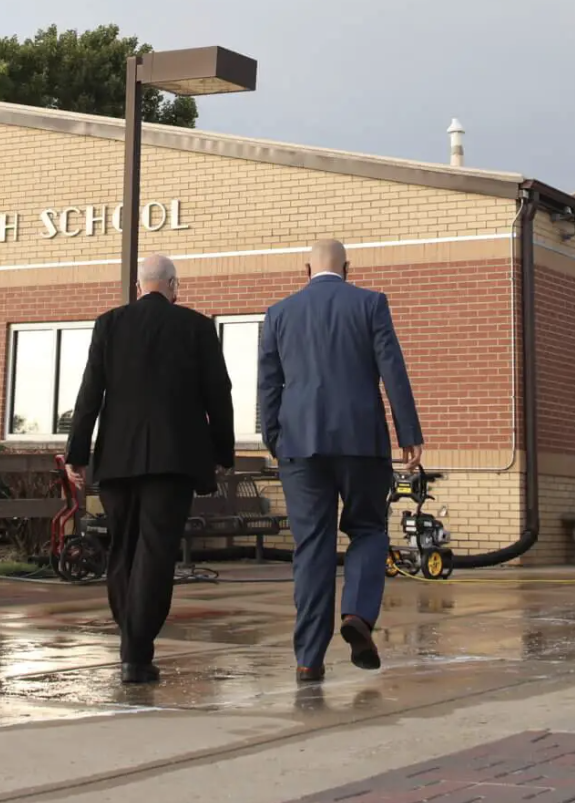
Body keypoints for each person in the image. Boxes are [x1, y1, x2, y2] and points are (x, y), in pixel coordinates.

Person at [63, 253, 236, 685]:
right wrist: (223, 452)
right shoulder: (196, 327)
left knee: (122, 549)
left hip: (117, 461)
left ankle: (131, 641)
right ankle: (136, 653)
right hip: (174, 461)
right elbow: (220, 393)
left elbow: (89, 395)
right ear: (173, 286)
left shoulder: (110, 324)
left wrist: (76, 455)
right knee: (156, 553)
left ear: (140, 286)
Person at [259, 239, 424, 682]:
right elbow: (393, 368)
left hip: (299, 443)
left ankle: (308, 660)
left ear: (305, 270)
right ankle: (358, 615)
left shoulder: (278, 313)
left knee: (311, 545)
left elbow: (268, 383)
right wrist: (409, 434)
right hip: (362, 441)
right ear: (347, 268)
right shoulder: (371, 304)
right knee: (368, 528)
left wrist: (273, 436)